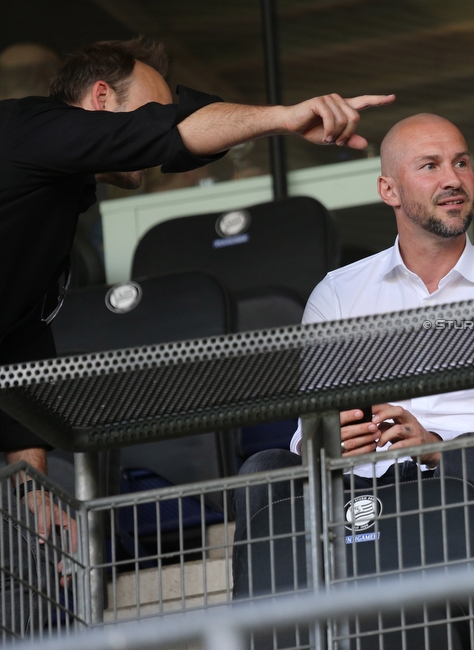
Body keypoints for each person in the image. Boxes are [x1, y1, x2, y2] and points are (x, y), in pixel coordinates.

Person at [0, 36, 392, 627]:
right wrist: (287, 118)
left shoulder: (50, 197)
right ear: (100, 98)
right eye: (147, 113)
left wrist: (29, 488)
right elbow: (172, 132)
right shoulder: (33, 127)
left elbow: (18, 347)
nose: (155, 139)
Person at [233, 113, 474, 590]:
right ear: (389, 190)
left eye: (462, 163)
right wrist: (329, 442)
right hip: (358, 489)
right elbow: (306, 437)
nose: (454, 180)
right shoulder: (339, 293)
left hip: (462, 486)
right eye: (430, 166)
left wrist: (433, 447)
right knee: (263, 471)